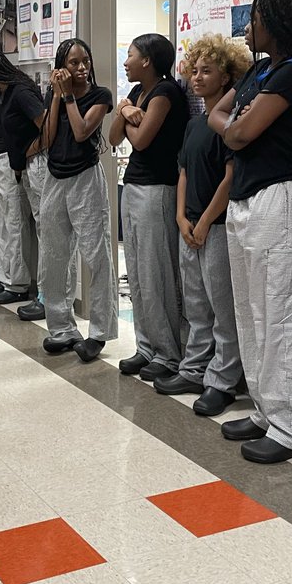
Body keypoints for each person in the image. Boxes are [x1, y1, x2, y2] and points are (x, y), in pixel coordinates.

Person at [210, 0, 292, 464]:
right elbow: (220, 116)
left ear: (276, 24)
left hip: (283, 198)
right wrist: (236, 127)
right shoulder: (260, 70)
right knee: (251, 310)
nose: (248, 28)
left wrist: (237, 127)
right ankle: (266, 410)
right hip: (248, 197)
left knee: (282, 314)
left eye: (255, 20)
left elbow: (240, 129)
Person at [155, 34, 251, 413]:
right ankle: (194, 368)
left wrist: (206, 221)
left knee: (222, 309)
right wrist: (181, 217)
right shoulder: (194, 124)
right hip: (190, 226)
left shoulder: (229, 125)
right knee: (196, 307)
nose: (197, 77)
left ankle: (223, 380)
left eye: (206, 71)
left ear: (226, 77)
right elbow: (182, 172)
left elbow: (230, 178)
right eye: (194, 71)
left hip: (218, 226)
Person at [109, 33, 189, 381]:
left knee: (157, 273)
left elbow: (141, 141)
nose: (126, 62)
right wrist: (126, 109)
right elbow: (113, 137)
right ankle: (146, 347)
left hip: (158, 189)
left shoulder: (165, 92)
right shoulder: (136, 93)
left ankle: (168, 354)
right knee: (138, 274)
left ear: (147, 60)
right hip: (134, 187)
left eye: (130, 55)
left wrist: (124, 113)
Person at [40, 39, 116, 363]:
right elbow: (47, 137)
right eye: (74, 63)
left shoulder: (101, 96)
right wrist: (57, 96)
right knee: (54, 255)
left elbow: (82, 131)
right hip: (55, 178)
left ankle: (99, 332)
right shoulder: (55, 94)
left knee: (96, 255)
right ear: (62, 67)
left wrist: (69, 96)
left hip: (86, 178)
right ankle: (62, 328)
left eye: (85, 61)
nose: (82, 68)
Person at [0, 46, 47, 305]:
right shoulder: (2, 92)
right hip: (9, 161)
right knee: (7, 223)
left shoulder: (20, 91)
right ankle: (9, 280)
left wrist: (27, 152)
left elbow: (46, 127)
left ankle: (23, 286)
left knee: (20, 224)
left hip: (27, 163)